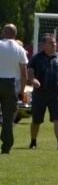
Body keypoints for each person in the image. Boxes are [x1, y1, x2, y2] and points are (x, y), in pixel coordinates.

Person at [27, 33, 58, 151]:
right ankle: (33, 141)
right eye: (51, 43)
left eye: (55, 42)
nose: (54, 45)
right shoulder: (36, 58)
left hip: (56, 93)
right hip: (40, 93)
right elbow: (30, 71)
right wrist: (33, 80)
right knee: (36, 120)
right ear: (44, 45)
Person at [0, 24, 28, 154]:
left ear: (4, 32)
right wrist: (22, 90)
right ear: (15, 34)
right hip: (10, 85)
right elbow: (24, 73)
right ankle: (6, 146)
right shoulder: (20, 50)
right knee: (8, 116)